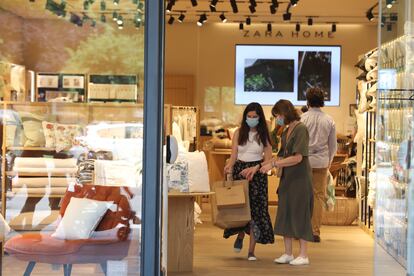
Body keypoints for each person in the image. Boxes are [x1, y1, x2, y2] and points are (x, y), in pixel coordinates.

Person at [260, 99, 313, 266]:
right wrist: (266, 164)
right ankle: (288, 252)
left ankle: (303, 255)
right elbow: (282, 155)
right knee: (285, 213)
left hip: (300, 179)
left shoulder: (301, 129)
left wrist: (274, 164)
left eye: (279, 116)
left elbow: (298, 157)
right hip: (287, 179)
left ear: (285, 113)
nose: (278, 119)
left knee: (300, 214)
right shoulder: (286, 131)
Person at [223, 102, 274, 261]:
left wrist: (257, 168)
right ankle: (240, 235)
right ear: (245, 117)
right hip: (240, 172)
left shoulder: (264, 135)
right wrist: (229, 167)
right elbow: (233, 155)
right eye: (249, 116)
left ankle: (251, 251)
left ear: (260, 118)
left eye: (255, 117)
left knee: (256, 213)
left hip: (257, 175)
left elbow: (268, 160)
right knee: (240, 209)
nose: (251, 119)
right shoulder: (239, 132)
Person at [301, 87, 337, 242]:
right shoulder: (329, 120)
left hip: (303, 162)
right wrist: (328, 162)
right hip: (321, 162)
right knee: (318, 197)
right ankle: (315, 232)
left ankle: (301, 230)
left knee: (302, 196)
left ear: (308, 101)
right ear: (322, 101)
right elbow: (333, 146)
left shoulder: (302, 119)